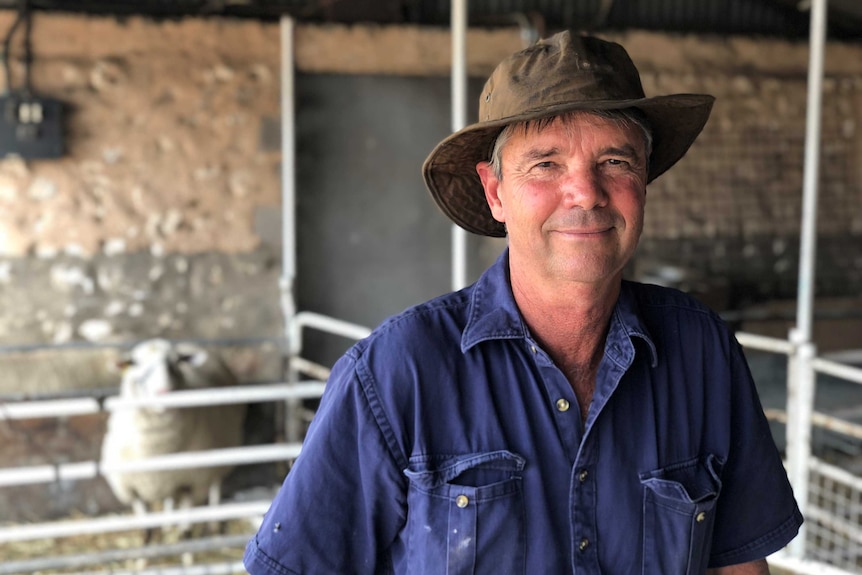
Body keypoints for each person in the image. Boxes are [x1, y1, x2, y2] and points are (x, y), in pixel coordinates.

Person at [244, 31, 802, 574]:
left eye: (615, 161)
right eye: (545, 165)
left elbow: (737, 564)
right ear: (495, 192)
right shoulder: (396, 373)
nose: (585, 192)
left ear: (644, 184)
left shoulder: (702, 352)